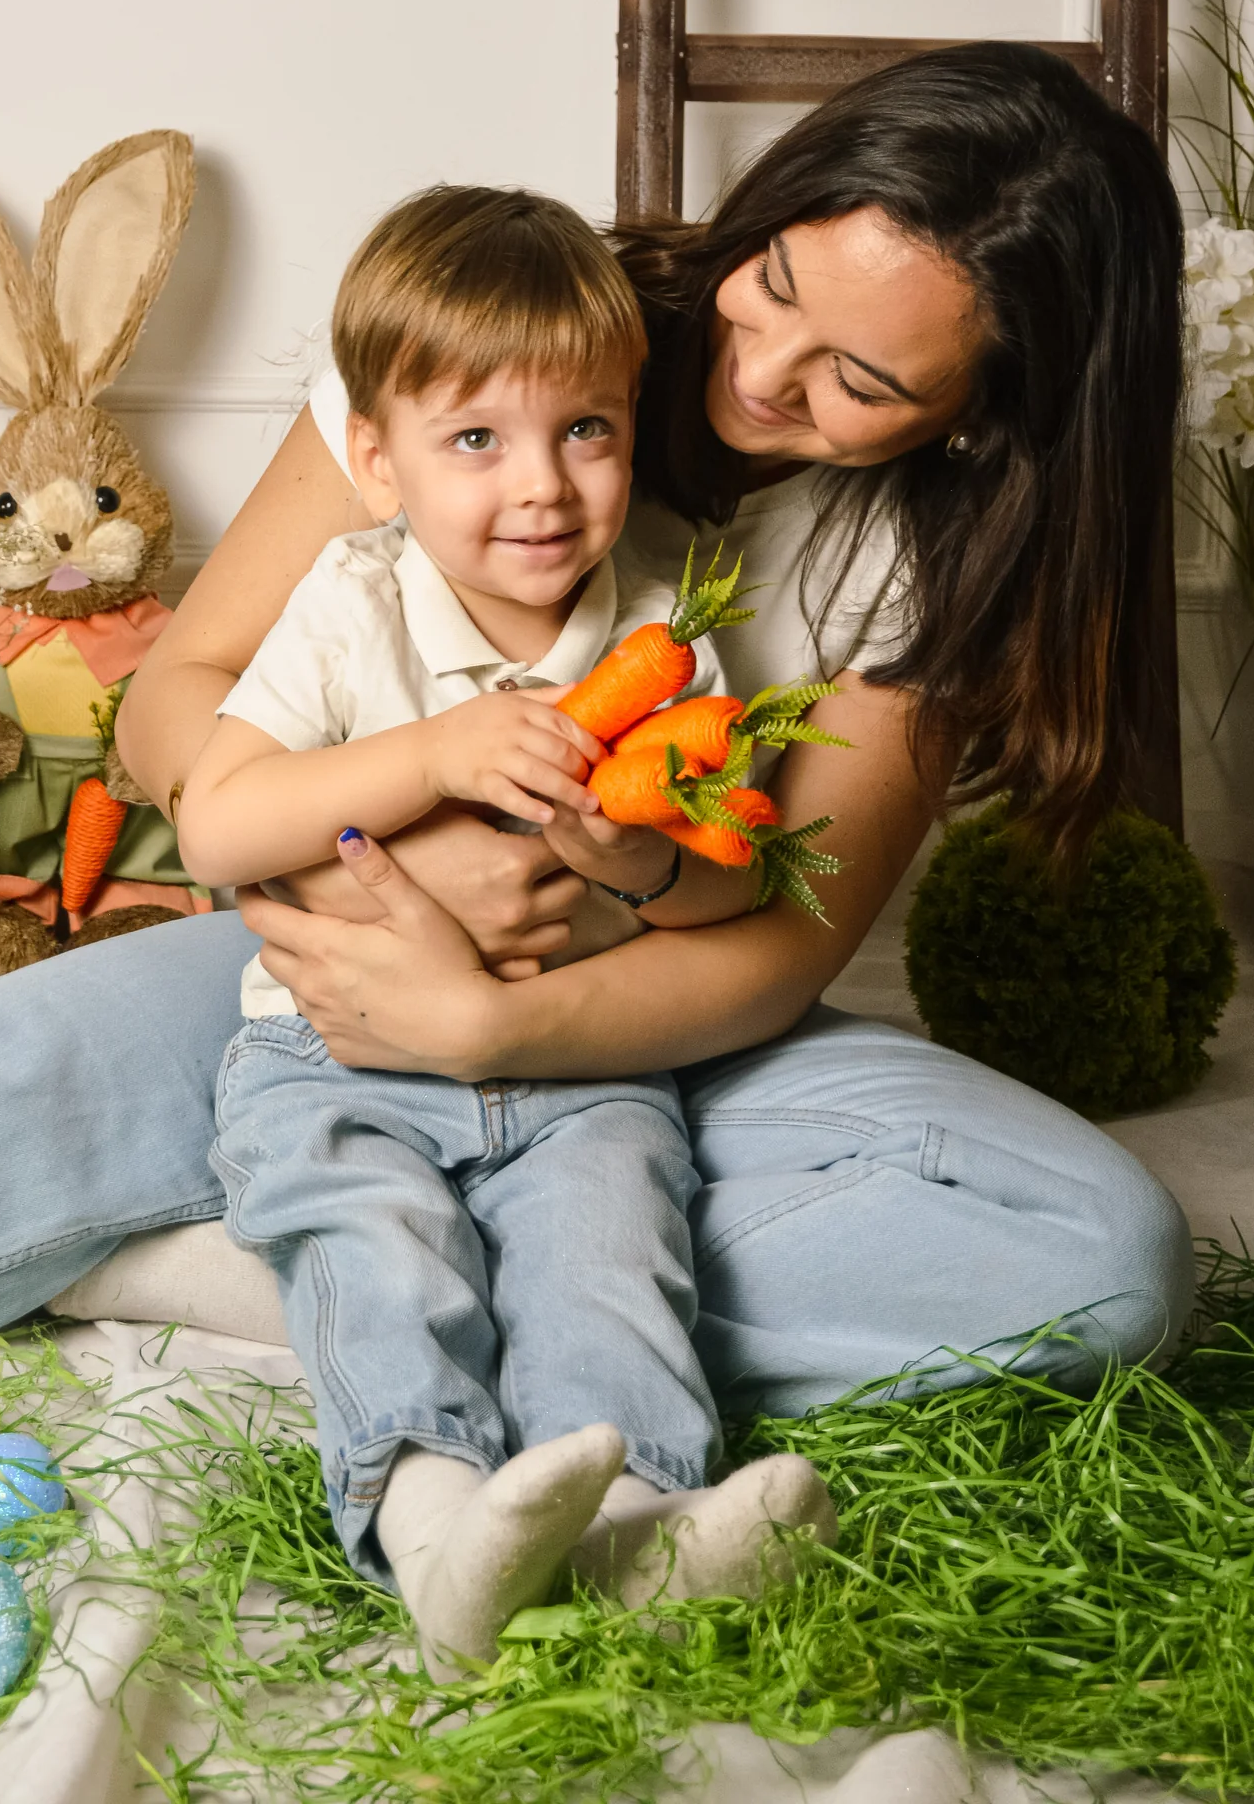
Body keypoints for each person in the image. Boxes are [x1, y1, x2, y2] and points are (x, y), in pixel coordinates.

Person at [0, 45, 1193, 1447]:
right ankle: (340, 1229)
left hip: (654, 1057)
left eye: (857, 381)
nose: (758, 372)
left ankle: (316, 1263)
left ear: (977, 412)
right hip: (312, 969)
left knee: (1098, 1253)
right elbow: (180, 703)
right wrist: (383, 841)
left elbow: (772, 959)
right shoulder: (514, 338)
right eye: (772, 287)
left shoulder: (929, 564)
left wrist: (494, 1024)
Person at [183, 185, 834, 1668]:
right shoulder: (355, 607)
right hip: (333, 1060)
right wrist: (432, 760)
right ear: (376, 460)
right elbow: (216, 821)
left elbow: (737, 880)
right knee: (380, 1250)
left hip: (576, 1073)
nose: (540, 486)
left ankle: (648, 1519)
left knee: (609, 1255)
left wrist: (637, 861)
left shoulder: (662, 631)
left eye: (584, 430)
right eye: (475, 440)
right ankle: (435, 1526)